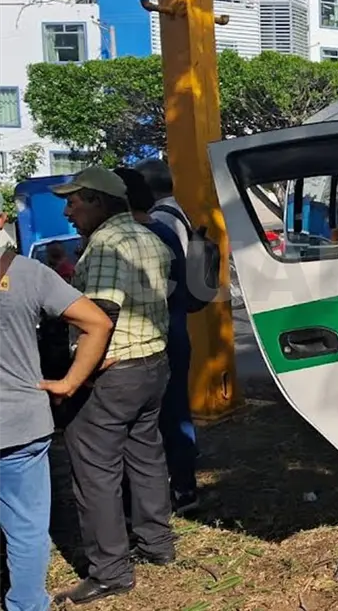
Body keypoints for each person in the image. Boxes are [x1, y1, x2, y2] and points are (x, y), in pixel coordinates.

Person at [49, 167, 176, 605]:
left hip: (113, 371)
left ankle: (109, 571)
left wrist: (73, 378)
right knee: (145, 454)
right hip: (152, 364)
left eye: (74, 201)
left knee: (94, 471)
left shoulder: (106, 244)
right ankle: (157, 543)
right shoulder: (148, 235)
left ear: (98, 202)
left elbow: (98, 318)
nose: (67, 211)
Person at [0, 216, 114, 611]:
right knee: (26, 525)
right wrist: (69, 383)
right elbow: (97, 323)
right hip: (20, 423)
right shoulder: (28, 273)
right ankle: (27, 604)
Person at [114, 167, 199, 514]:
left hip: (152, 337)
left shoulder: (141, 234)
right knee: (176, 412)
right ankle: (184, 487)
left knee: (150, 422)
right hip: (175, 330)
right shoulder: (168, 222)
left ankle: (162, 495)